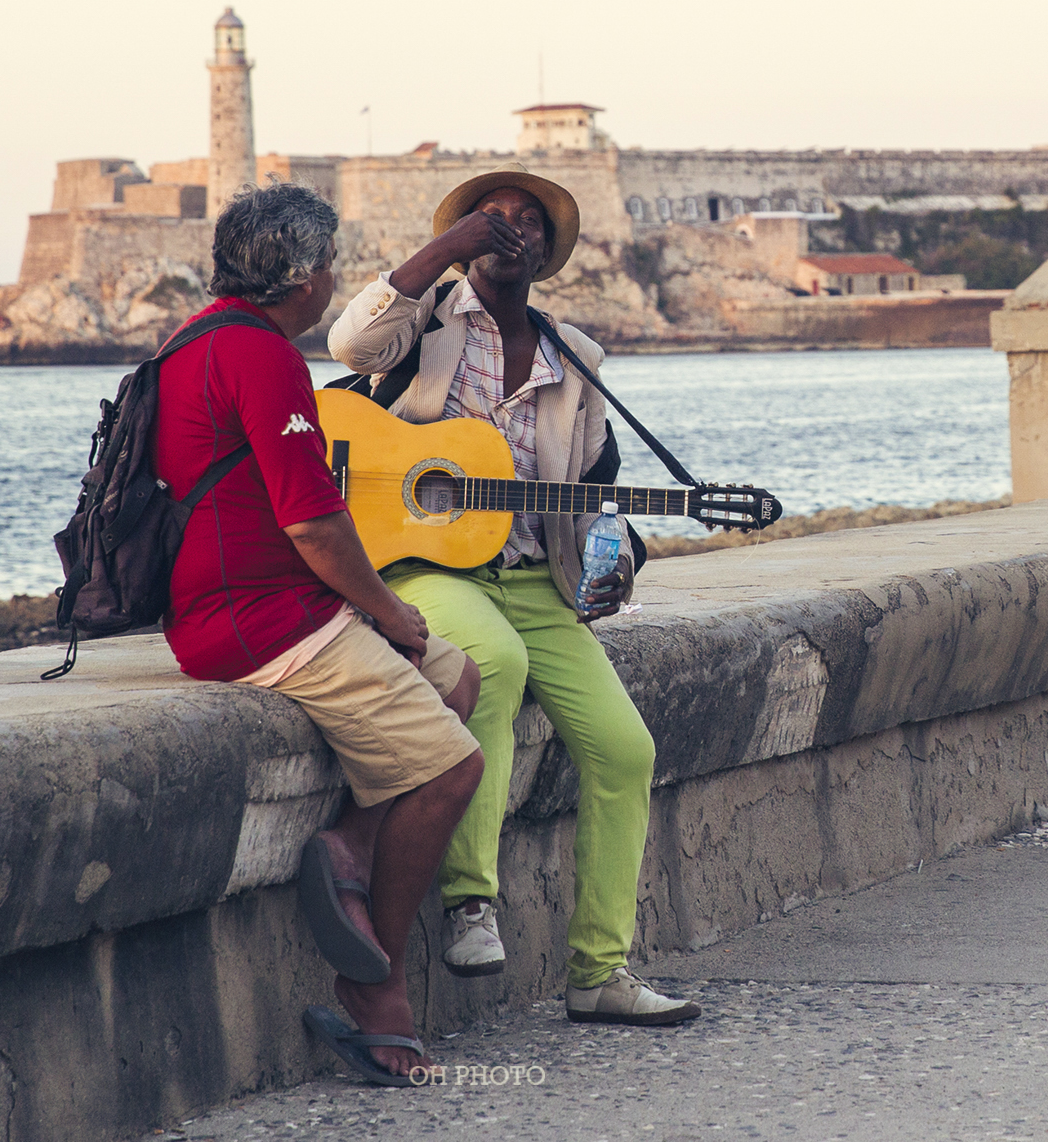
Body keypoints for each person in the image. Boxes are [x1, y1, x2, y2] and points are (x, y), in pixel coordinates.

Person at [327, 168, 700, 1028]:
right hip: (425, 567)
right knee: (492, 658)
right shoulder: (425, 323)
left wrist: (619, 555)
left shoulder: (577, 360)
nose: (509, 229)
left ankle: (599, 970)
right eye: (491, 217)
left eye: (526, 222)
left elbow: (599, 492)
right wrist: (444, 253)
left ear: (547, 251)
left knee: (626, 749)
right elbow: (349, 344)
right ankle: (470, 902)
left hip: (536, 577)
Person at [154, 182, 485, 1085]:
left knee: (457, 679)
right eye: (331, 264)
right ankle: (370, 984)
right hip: (260, 621)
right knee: (454, 765)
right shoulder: (262, 359)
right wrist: (390, 611)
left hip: (258, 604)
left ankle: (349, 845)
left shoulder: (193, 337)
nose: (335, 279)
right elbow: (315, 525)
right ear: (302, 277)